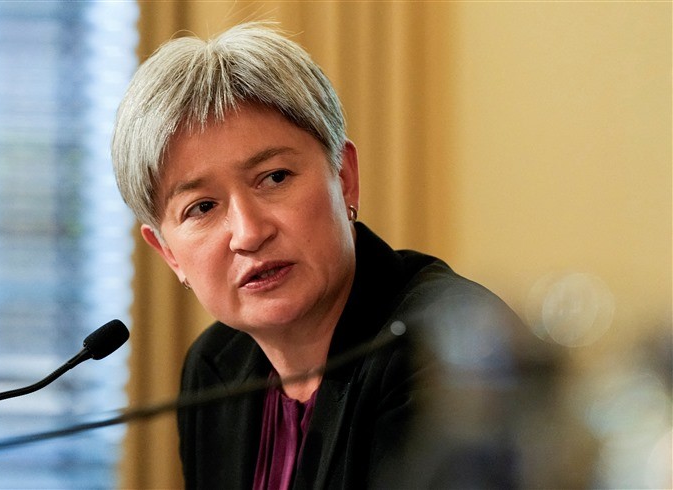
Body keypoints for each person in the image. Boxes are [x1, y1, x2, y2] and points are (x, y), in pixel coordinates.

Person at [112, 22, 527, 489]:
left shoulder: (441, 352)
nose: (249, 234)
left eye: (275, 178)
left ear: (344, 178)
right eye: (203, 207)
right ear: (169, 254)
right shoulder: (215, 367)